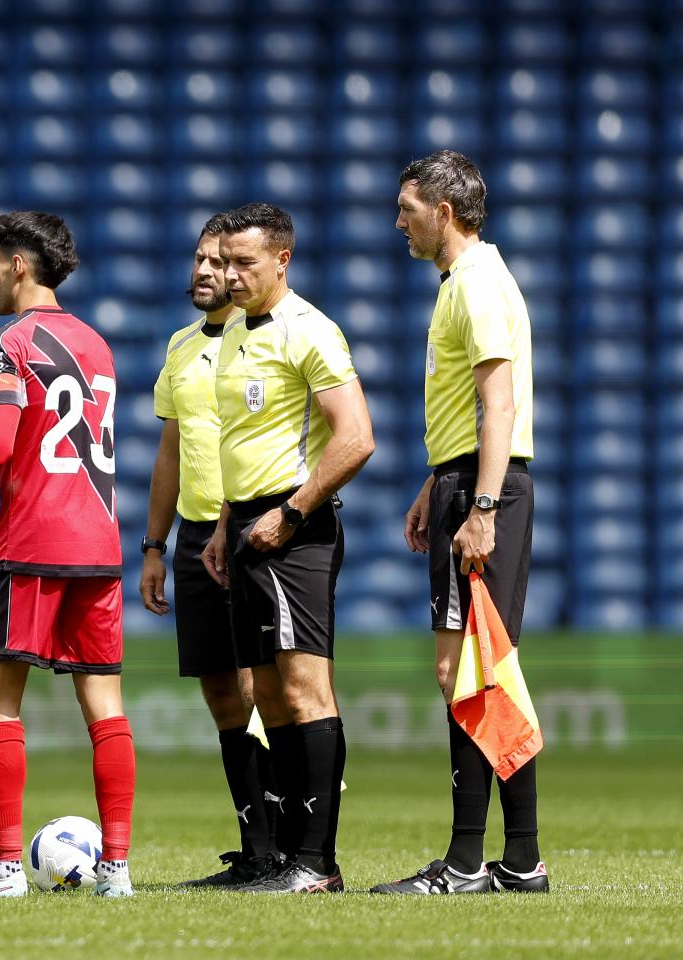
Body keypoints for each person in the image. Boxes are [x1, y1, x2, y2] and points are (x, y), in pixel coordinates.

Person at [0, 211, 136, 899]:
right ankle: (118, 872)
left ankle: (8, 870)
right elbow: (50, 426)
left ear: (18, 264)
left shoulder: (7, 342)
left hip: (31, 546)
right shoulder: (96, 345)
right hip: (99, 546)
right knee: (106, 709)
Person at [372, 150, 546, 895]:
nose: (398, 221)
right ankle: (520, 861)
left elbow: (498, 404)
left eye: (407, 208)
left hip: (483, 491)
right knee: (484, 671)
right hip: (462, 480)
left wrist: (477, 505)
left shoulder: (475, 286)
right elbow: (467, 415)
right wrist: (433, 485)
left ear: (444, 213)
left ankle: (469, 863)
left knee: (467, 671)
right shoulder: (466, 283)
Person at [201, 202, 374, 894]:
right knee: (267, 696)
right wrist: (223, 524)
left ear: (282, 260)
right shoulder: (237, 330)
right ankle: (281, 859)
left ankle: (318, 863)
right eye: (225, 260)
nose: (231, 275)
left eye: (245, 262)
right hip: (244, 528)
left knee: (306, 693)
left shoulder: (310, 331)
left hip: (292, 532)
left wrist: (291, 514)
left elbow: (355, 436)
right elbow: (243, 442)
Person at [139, 214, 280, 887]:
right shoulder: (180, 347)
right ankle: (256, 850)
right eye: (196, 259)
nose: (201, 271)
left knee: (265, 690)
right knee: (223, 695)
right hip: (195, 537)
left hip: (254, 530)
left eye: (215, 261)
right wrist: (153, 545)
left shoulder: (264, 343)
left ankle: (292, 845)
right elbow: (169, 452)